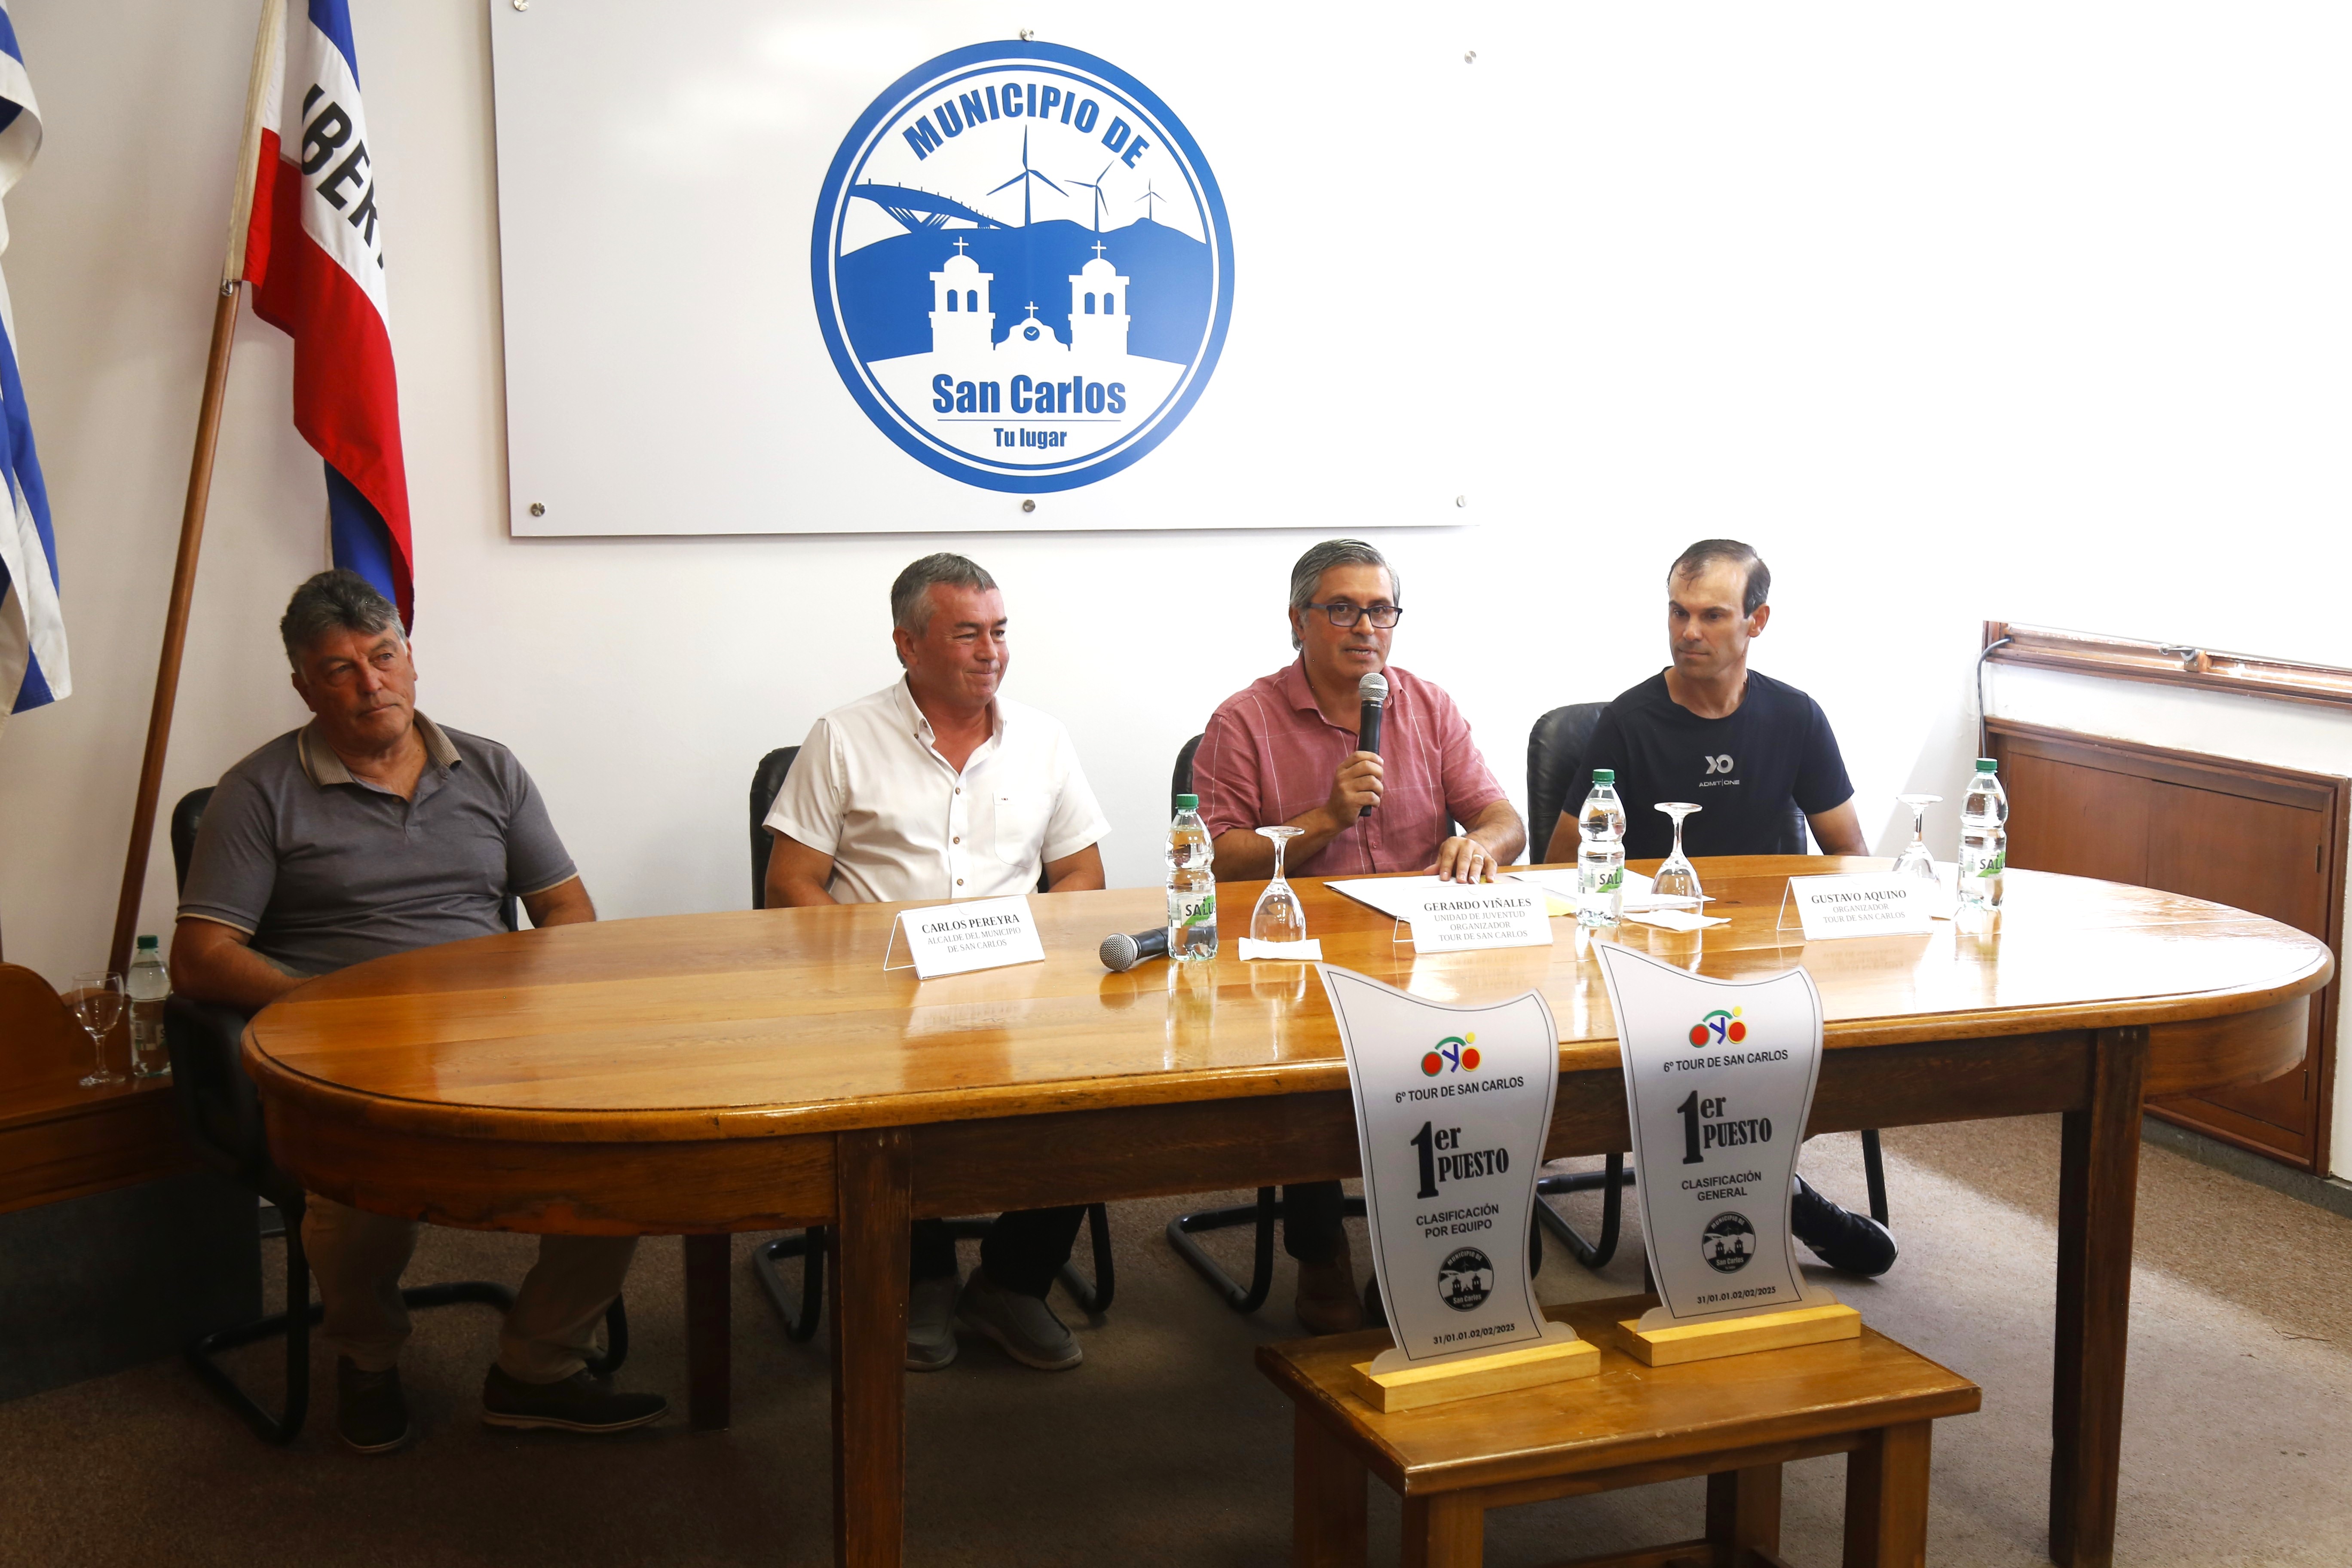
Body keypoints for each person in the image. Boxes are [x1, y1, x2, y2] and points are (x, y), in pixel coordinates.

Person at [172, 570, 665, 1454]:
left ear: (410, 659)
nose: (372, 684)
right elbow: (200, 957)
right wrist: (327, 1004)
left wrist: (536, 1004)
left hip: (498, 1038)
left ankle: (538, 1365)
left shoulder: (489, 768)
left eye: (384, 656)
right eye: (341, 669)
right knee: (355, 1193)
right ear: (304, 686)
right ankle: (367, 1359)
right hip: (348, 1049)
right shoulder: (258, 792)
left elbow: (565, 910)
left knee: (625, 1155)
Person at [764, 553, 1111, 1372]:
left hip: (1016, 987)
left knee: (1101, 1087)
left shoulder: (1043, 739)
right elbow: (791, 884)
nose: (991, 653)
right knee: (885, 1093)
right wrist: (868, 971)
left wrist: (1033, 962)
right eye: (967, 635)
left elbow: (1082, 876)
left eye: (999, 632)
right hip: (881, 992)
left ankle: (1013, 1283)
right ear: (908, 644)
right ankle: (921, 1277)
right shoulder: (843, 738)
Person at [1192, 539, 1525, 1332]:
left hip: (1420, 949)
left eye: (1380, 611)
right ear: (1299, 620)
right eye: (1342, 609)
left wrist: (1480, 846)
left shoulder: (1428, 705)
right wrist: (1326, 818)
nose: (1365, 628)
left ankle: (1445, 1239)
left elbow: (1503, 819)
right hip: (1299, 959)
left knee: (1493, 1049)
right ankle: (1321, 1253)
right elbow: (1215, 863)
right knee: (1308, 1077)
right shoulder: (1244, 720)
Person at [1542, 538, 1895, 1277]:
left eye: (1711, 615)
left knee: (1809, 1029)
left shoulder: (1795, 716)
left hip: (1762, 952)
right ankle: (1778, 1195)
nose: (1688, 632)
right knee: (1706, 1039)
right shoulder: (1628, 722)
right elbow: (1560, 865)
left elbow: (1847, 853)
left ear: (1757, 622)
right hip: (1648, 955)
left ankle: (1747, 1186)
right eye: (1678, 612)